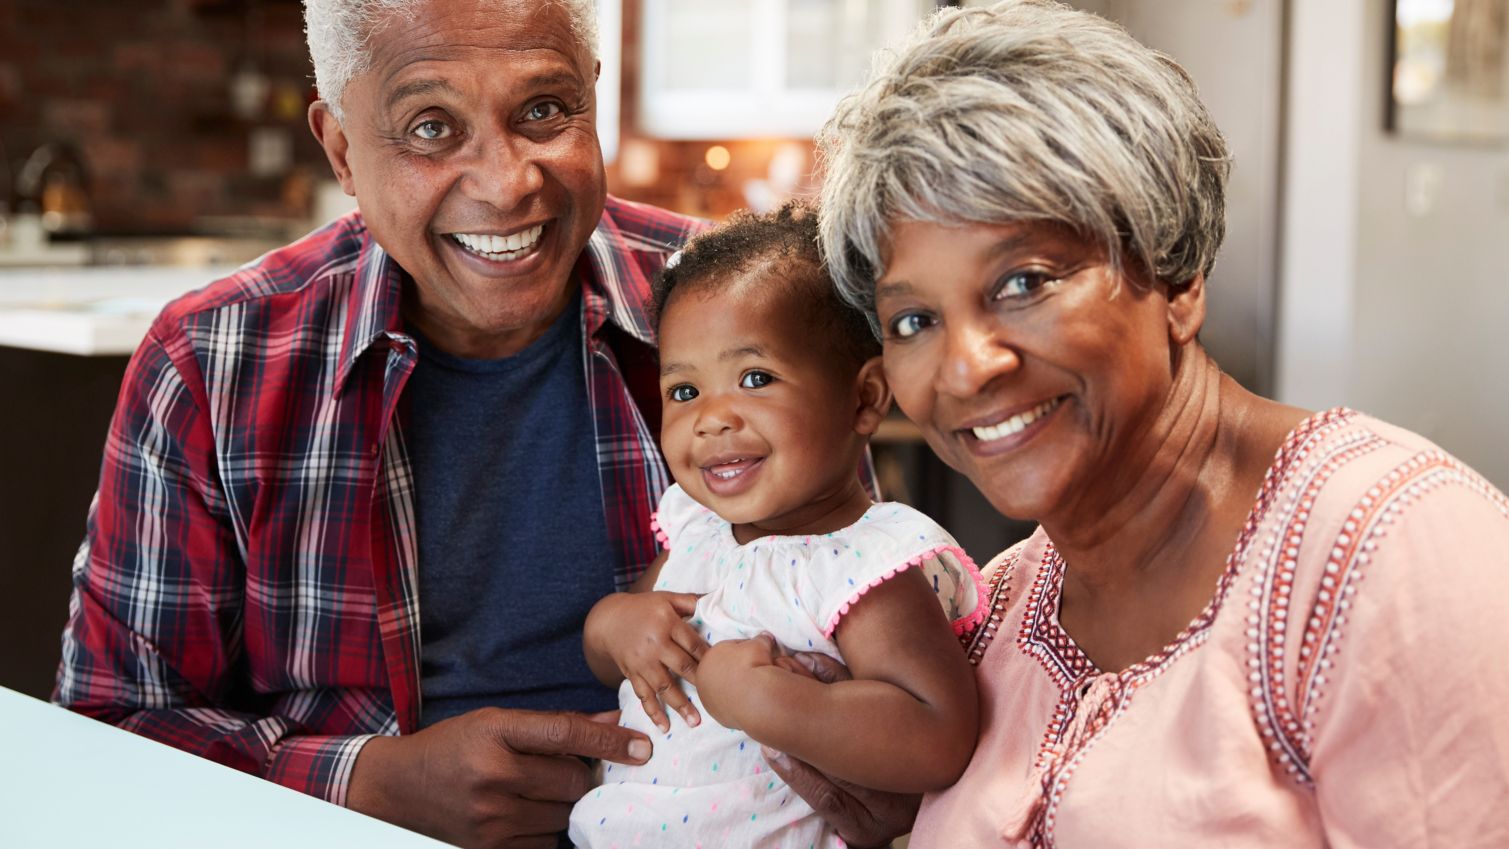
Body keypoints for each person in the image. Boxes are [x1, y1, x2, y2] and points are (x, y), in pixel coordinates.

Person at [813, 1, 1509, 846]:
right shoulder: (991, 612)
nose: (965, 369)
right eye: (914, 321)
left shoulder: (1388, 550)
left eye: (1024, 282)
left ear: (1175, 277)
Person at [55, 1, 702, 846]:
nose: (507, 182)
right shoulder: (209, 362)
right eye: (431, 127)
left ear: (592, 95)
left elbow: (850, 618)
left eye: (543, 111)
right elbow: (106, 728)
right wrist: (366, 783)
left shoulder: (732, 302)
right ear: (341, 151)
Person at [566, 204, 985, 848]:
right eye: (684, 391)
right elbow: (614, 649)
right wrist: (614, 625)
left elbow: (938, 735)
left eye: (754, 378)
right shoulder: (697, 533)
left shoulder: (863, 566)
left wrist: (769, 701)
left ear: (865, 398)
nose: (710, 419)